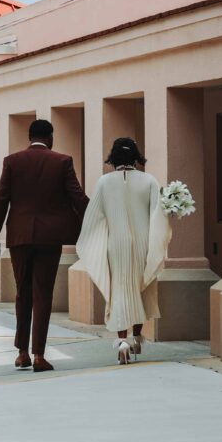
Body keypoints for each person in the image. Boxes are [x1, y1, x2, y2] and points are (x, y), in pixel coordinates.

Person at [0, 119, 89, 373]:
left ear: (29, 137)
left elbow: (1, 200)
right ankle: (40, 355)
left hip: (19, 237)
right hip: (49, 238)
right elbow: (78, 198)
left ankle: (22, 353)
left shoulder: (12, 161)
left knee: (23, 292)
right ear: (50, 137)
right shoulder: (62, 161)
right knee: (43, 293)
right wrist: (96, 223)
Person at [76, 137, 171, 365]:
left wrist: (94, 242)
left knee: (120, 289)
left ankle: (122, 342)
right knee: (140, 286)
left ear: (114, 157)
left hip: (115, 244)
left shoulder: (103, 183)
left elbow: (94, 217)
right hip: (143, 243)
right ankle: (137, 336)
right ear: (136, 156)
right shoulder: (149, 181)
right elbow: (158, 216)